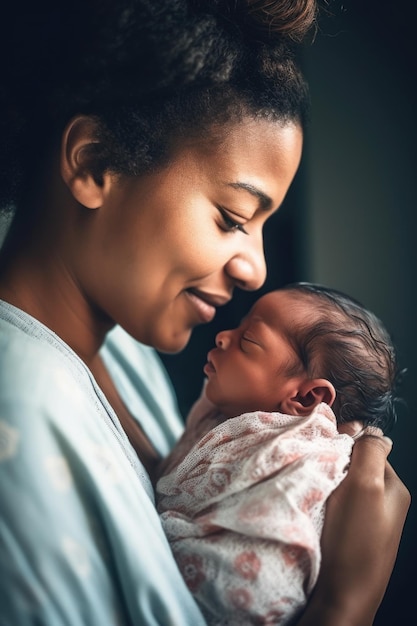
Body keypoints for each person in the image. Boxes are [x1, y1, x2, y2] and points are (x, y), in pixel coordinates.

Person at [0, 1, 409, 625]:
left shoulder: (124, 350)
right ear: (94, 163)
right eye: (233, 218)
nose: (256, 270)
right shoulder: (16, 413)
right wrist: (344, 604)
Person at [156, 282, 403, 625]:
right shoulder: (226, 412)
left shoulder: (304, 452)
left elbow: (281, 524)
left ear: (306, 399)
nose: (223, 336)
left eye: (248, 341)